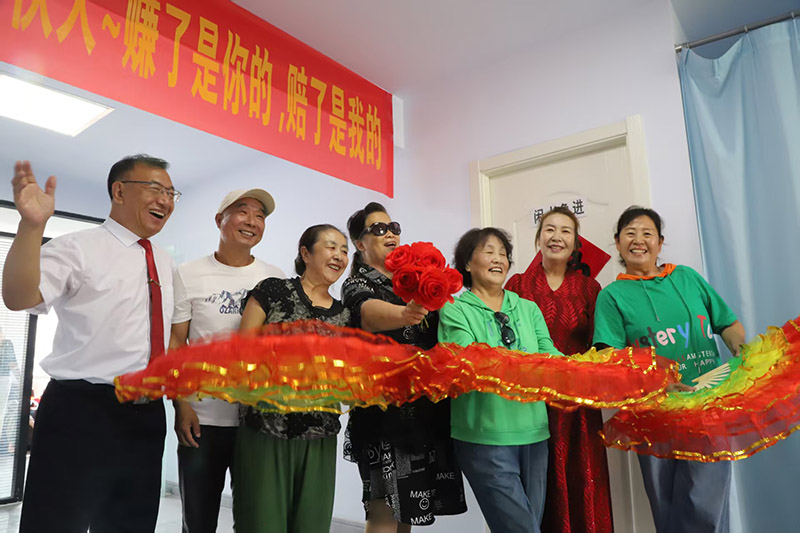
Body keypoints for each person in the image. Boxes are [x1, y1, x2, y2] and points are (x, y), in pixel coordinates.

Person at [3, 156, 178, 532]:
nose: (165, 200)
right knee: (55, 522)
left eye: (170, 192)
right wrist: (32, 227)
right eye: (155, 189)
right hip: (82, 411)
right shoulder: (77, 247)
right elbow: (19, 297)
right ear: (119, 191)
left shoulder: (164, 261)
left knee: (131, 524)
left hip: (147, 414)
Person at [593, 206, 745, 533]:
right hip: (653, 413)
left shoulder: (687, 278)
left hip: (707, 406)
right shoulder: (611, 297)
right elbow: (610, 358)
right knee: (666, 505)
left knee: (705, 503)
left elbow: (728, 324)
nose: (638, 240)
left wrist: (739, 349)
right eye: (630, 233)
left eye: (647, 233)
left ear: (660, 243)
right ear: (617, 243)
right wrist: (656, 385)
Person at [342, 202, 466, 532]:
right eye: (378, 229)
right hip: (384, 412)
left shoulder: (414, 280)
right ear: (360, 243)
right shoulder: (357, 283)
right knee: (383, 510)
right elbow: (368, 314)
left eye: (393, 227)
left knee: (408, 511)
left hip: (425, 408)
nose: (390, 234)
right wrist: (405, 314)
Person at [170, 189, 284, 533]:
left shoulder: (274, 278)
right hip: (202, 418)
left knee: (255, 519)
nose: (252, 221)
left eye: (260, 216)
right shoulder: (188, 273)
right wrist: (181, 404)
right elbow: (176, 344)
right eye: (243, 211)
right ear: (219, 219)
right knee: (198, 518)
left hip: (255, 421)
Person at [438, 227, 562, 533]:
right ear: (467, 263)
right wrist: (526, 364)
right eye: (488, 252)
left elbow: (551, 357)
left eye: (503, 254)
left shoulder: (528, 308)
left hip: (534, 433)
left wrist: (600, 369)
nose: (498, 259)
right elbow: (467, 359)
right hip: (484, 436)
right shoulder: (454, 309)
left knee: (528, 524)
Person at [233, 224, 350, 533]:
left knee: (312, 523)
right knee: (262, 521)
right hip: (266, 427)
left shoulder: (344, 315)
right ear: (305, 254)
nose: (339, 255)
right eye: (331, 246)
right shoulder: (273, 291)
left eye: (344, 250)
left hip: (320, 432)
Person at [505, 207, 613, 533]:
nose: (556, 237)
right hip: (532, 401)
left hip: (578, 404)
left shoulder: (590, 288)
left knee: (583, 479)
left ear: (575, 243)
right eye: (549, 229)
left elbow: (600, 345)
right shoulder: (518, 284)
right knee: (536, 484)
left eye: (565, 231)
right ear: (538, 239)